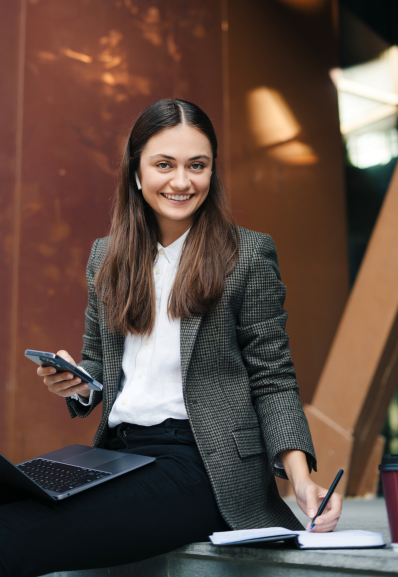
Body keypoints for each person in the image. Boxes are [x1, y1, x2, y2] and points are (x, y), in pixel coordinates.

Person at [0, 99, 342, 577]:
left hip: (202, 464)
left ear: (211, 171)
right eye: (164, 165)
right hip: (115, 456)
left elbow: (274, 378)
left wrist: (303, 480)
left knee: (12, 537)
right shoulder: (106, 258)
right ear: (137, 172)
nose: (182, 182)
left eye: (197, 166)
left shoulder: (246, 255)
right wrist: (80, 383)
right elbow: (98, 362)